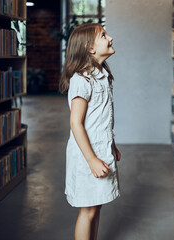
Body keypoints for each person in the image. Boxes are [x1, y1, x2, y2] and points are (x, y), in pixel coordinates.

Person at [59, 23, 121, 240]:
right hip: (87, 155)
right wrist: (92, 159)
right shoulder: (82, 80)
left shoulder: (102, 75)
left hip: (101, 151)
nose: (110, 37)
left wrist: (112, 146)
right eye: (104, 35)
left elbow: (102, 120)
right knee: (87, 210)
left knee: (96, 207)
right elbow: (76, 123)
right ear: (90, 48)